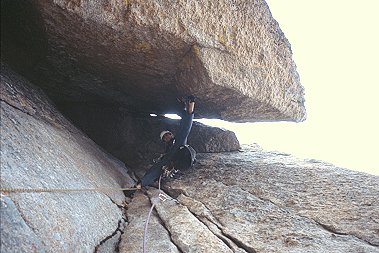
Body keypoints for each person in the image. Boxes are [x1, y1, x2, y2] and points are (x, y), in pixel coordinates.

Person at [136, 95, 196, 188]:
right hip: (176, 157)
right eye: (164, 137)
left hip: (182, 151)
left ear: (171, 134)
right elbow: (159, 166)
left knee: (184, 130)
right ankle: (141, 183)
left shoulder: (177, 139)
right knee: (159, 165)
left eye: (167, 135)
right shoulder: (168, 150)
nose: (166, 137)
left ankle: (190, 104)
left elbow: (184, 128)